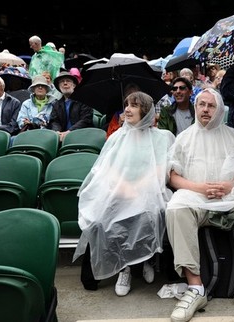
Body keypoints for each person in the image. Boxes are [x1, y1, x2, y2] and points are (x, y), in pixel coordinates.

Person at [166, 88, 234, 322]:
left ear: (220, 109)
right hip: (196, 196)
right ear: (195, 107)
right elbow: (173, 177)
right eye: (201, 104)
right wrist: (199, 188)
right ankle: (195, 287)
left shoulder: (232, 135)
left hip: (233, 196)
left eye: (211, 105)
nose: (205, 109)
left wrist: (230, 185)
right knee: (175, 209)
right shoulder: (184, 137)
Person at [73, 91, 175, 296]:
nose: (127, 109)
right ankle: (125, 267)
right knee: (102, 218)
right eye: (127, 104)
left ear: (145, 111)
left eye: (134, 106)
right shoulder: (117, 137)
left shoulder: (163, 137)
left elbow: (162, 169)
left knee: (153, 213)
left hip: (150, 189)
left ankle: (145, 259)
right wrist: (125, 188)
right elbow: (106, 168)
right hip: (119, 189)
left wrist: (139, 188)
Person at [49, 70, 93, 141]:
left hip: (82, 136)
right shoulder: (56, 104)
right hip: (61, 137)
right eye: (62, 81)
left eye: (68, 81)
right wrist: (57, 132)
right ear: (59, 87)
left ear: (74, 85)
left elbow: (86, 120)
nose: (65, 83)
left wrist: (70, 131)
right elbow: (54, 121)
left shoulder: (84, 100)